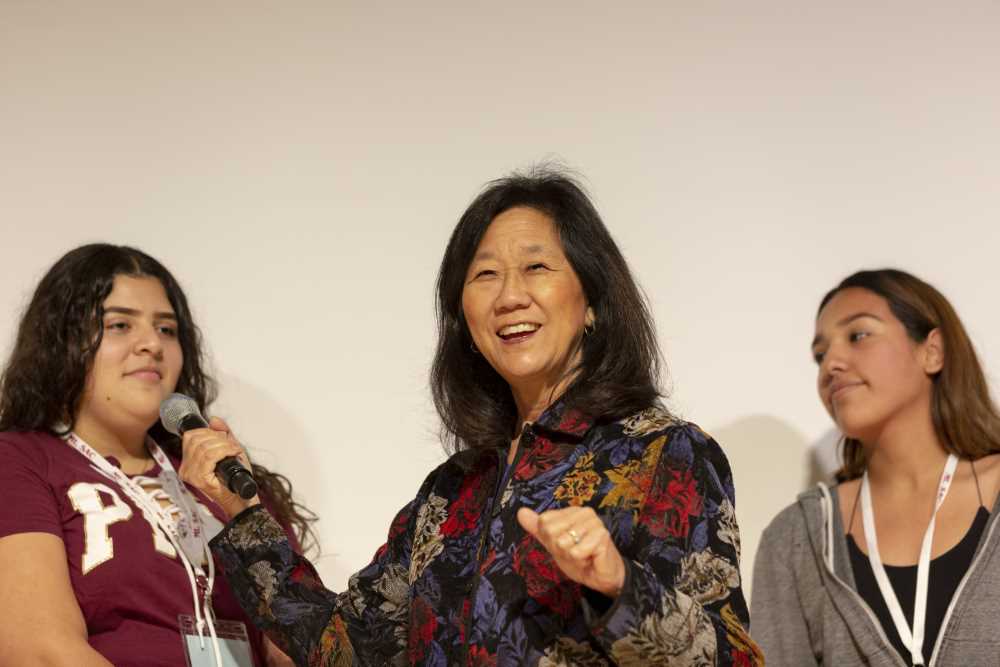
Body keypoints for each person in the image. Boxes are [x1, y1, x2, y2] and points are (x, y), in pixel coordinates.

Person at [181, 169, 763, 666]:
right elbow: (346, 647)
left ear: (591, 301)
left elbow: (731, 659)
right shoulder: (453, 489)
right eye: (484, 275)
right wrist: (244, 512)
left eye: (537, 267)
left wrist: (619, 585)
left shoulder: (665, 454)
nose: (509, 296)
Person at [0, 244, 314, 667]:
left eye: (167, 330)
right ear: (63, 341)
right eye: (119, 325)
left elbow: (304, 647)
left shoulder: (221, 476)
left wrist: (247, 513)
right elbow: (40, 651)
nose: (151, 343)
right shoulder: (21, 460)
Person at [752, 269, 1000, 666]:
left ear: (932, 351)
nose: (831, 363)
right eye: (820, 355)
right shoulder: (796, 540)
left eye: (858, 335)